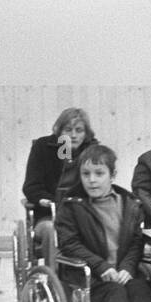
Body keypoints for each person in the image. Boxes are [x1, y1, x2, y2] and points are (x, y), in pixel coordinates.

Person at [56, 144, 151, 302]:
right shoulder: (71, 205)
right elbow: (69, 244)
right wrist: (101, 267)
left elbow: (136, 242)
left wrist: (127, 268)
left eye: (99, 173)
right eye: (86, 174)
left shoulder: (130, 204)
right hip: (88, 279)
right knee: (115, 293)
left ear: (112, 175)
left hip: (124, 273)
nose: (91, 180)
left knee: (141, 290)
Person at [22, 108, 97, 266]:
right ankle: (54, 278)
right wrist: (49, 201)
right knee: (52, 229)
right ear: (59, 130)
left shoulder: (92, 150)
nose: (73, 135)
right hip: (49, 216)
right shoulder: (43, 147)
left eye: (79, 130)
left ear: (86, 133)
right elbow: (31, 187)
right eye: (68, 130)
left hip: (83, 215)